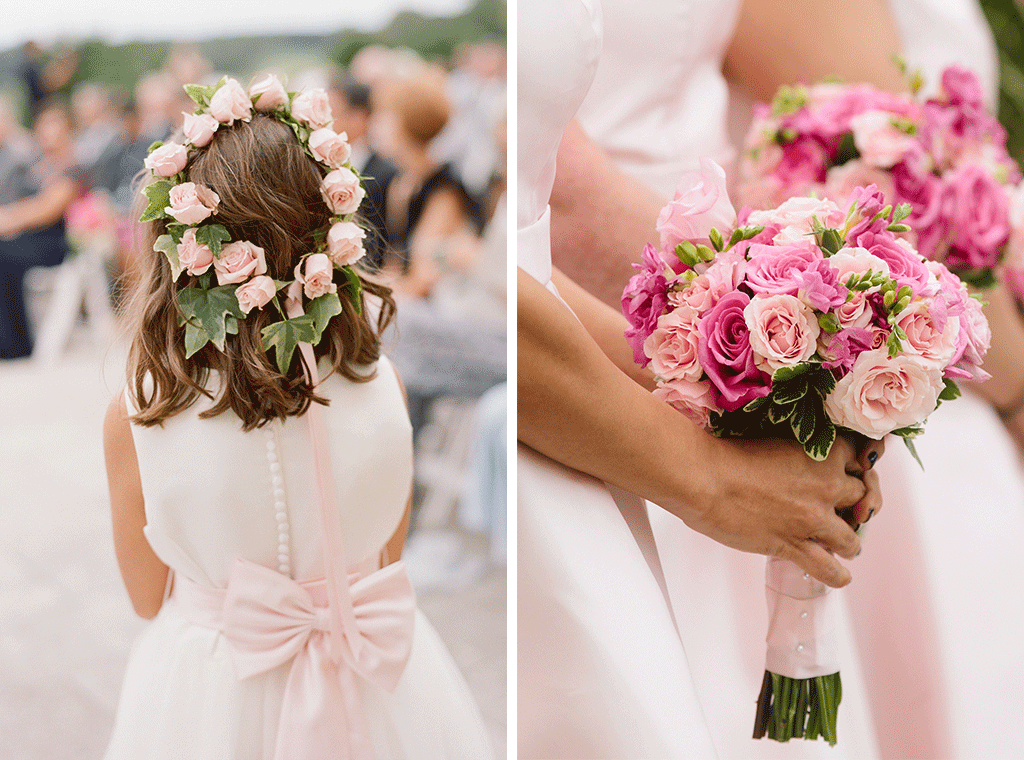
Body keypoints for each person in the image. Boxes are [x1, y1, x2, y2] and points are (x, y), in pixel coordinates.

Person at [517, 1, 883, 757]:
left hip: (605, 336)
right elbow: (547, 228)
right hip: (574, 383)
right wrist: (708, 465)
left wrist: (754, 389)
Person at [102, 77, 493, 759]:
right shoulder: (386, 386)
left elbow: (144, 596)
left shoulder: (137, 410)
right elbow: (385, 557)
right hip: (373, 679)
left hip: (209, 697)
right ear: (329, 234)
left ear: (180, 241)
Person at [0, 101, 84, 360]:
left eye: (54, 128)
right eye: (43, 128)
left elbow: (47, 209)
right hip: (26, 240)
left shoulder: (73, 168)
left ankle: (14, 345)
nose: (47, 135)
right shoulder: (35, 166)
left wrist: (7, 219)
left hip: (52, 244)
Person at [327, 75, 398, 271]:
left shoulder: (385, 174)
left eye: (333, 112)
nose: (326, 121)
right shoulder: (321, 166)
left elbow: (380, 244)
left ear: (359, 117)